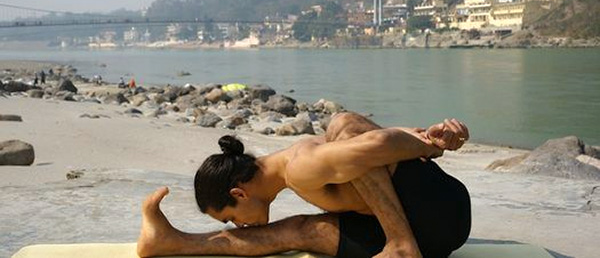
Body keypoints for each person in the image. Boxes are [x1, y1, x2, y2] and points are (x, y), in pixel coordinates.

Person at [137, 113, 471, 258]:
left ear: (239, 193)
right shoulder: (298, 157)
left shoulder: (300, 168)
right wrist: (426, 137)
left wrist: (430, 145)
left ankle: (401, 245)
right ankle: (171, 241)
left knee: (344, 127)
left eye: (230, 217)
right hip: (441, 206)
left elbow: (380, 142)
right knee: (344, 129)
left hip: (439, 218)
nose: (239, 224)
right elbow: (378, 141)